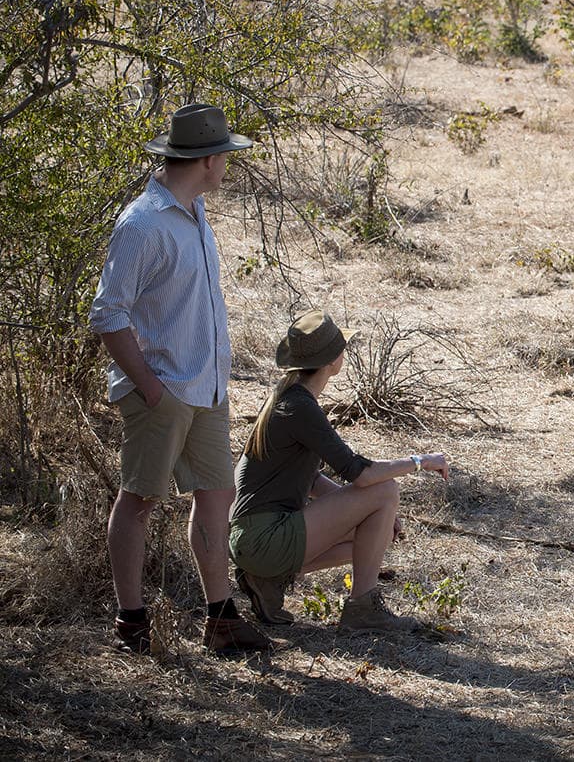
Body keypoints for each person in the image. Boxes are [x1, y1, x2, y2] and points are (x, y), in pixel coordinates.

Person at [89, 102, 271, 655]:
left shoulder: (193, 212)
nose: (227, 168)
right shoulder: (142, 223)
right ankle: (131, 621)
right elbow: (107, 314)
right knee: (140, 499)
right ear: (209, 160)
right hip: (162, 389)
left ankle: (220, 618)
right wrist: (148, 384)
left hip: (207, 388)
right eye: (226, 158)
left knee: (215, 494)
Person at [229, 309, 450, 633]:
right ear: (332, 360)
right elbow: (360, 474)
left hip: (254, 538)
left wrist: (373, 512)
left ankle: (270, 578)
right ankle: (362, 608)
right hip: (264, 538)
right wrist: (421, 461)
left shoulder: (289, 398)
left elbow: (313, 480)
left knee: (380, 529)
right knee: (385, 489)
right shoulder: (299, 407)